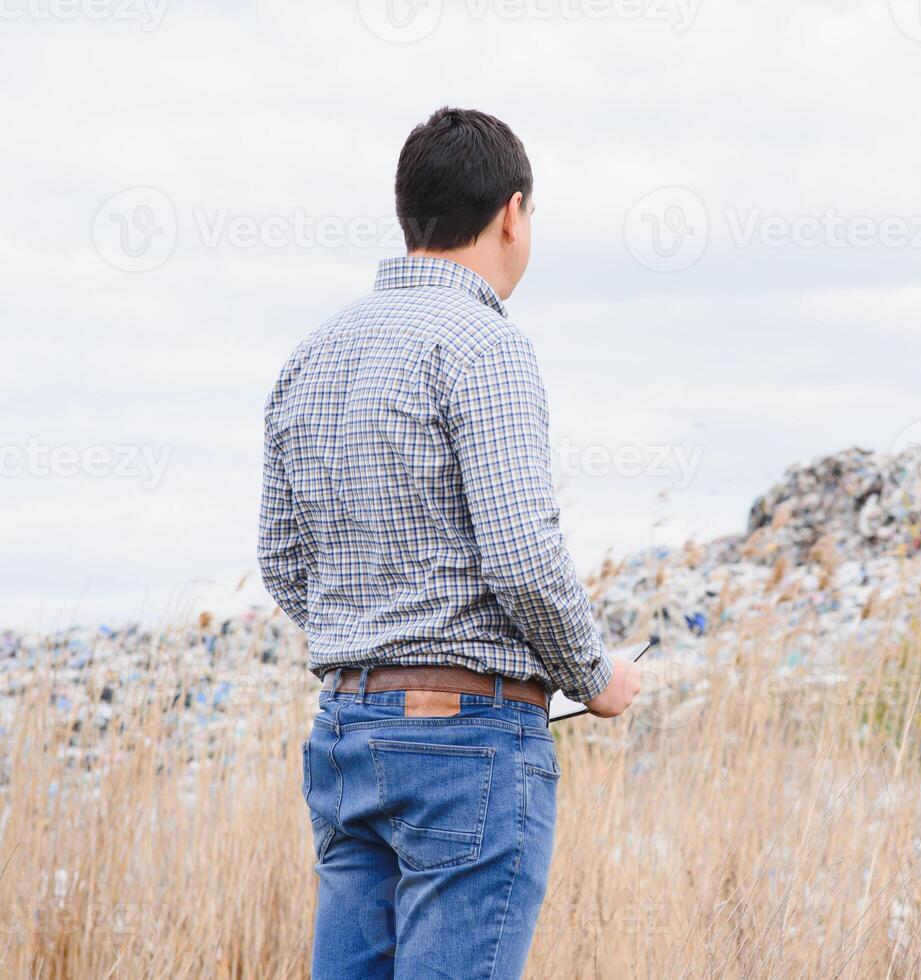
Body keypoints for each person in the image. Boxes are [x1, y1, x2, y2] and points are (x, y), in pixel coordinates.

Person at [257, 106, 641, 979]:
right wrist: (598, 676)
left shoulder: (311, 355)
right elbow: (521, 554)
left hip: (346, 730)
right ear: (512, 213)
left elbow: (282, 560)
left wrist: (373, 632)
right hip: (467, 742)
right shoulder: (486, 346)